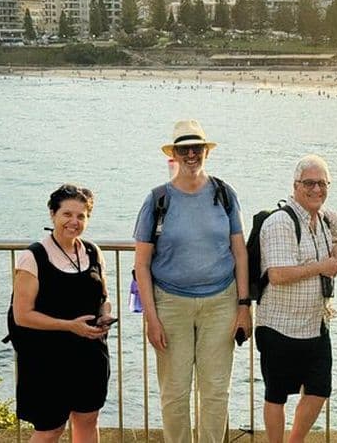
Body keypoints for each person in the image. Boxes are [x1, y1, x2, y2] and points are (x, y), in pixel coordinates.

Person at [132, 120, 251, 443]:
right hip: (170, 304)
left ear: (205, 152)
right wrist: (151, 318)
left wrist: (244, 306)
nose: (191, 154)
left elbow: (240, 252)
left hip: (221, 302)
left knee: (216, 391)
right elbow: (141, 264)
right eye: (184, 149)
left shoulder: (225, 194)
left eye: (196, 148)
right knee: (174, 393)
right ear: (174, 154)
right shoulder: (157, 200)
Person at [255, 154, 337, 443]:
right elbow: (277, 274)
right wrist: (322, 267)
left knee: (319, 390)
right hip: (278, 325)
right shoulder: (280, 222)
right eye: (309, 183)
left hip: (315, 325)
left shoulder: (324, 217)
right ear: (295, 185)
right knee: (276, 395)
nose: (316, 189)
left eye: (322, 183)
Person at [11, 184, 112, 443]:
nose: (74, 222)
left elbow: (104, 298)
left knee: (88, 421)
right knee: (50, 429)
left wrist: (104, 316)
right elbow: (22, 315)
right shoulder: (33, 257)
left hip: (89, 354)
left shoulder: (92, 251)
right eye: (67, 214)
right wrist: (69, 325)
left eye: (81, 216)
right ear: (53, 214)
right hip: (47, 359)